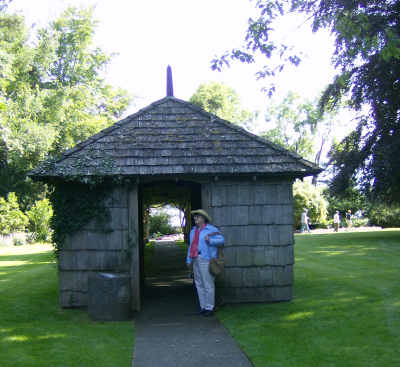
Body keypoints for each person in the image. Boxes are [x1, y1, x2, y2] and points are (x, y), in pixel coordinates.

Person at [186, 209, 225, 316]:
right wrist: (188, 260)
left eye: (197, 216)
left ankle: (209, 307)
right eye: (195, 216)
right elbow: (190, 246)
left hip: (206, 259)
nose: (195, 218)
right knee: (199, 283)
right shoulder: (193, 230)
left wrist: (210, 240)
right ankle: (203, 307)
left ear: (203, 218)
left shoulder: (210, 229)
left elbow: (222, 240)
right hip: (195, 258)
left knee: (208, 284)